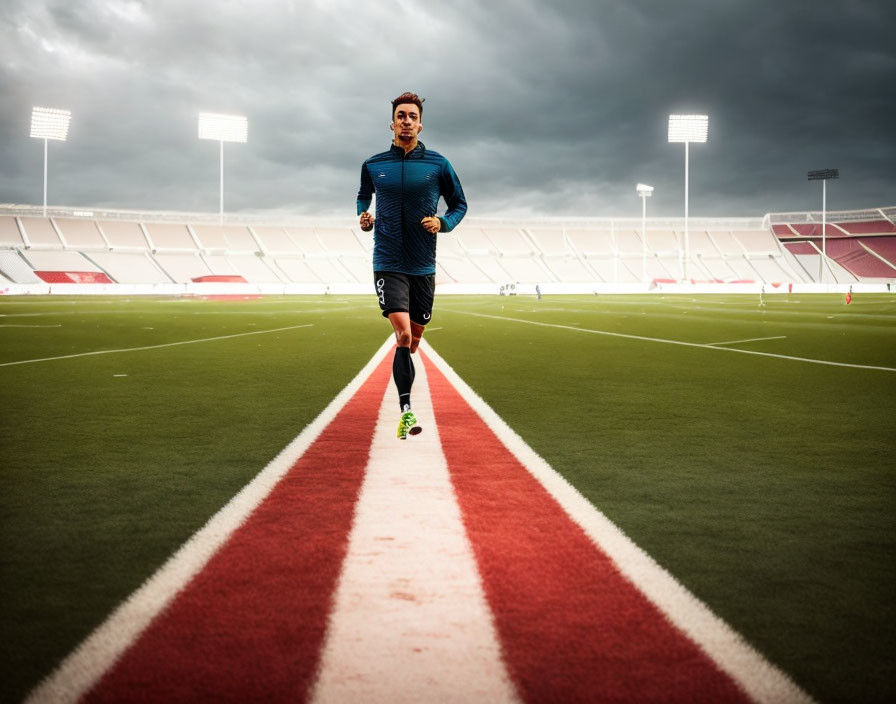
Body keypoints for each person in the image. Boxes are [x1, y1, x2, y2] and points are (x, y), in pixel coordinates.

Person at [357, 92, 467, 439]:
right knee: (402, 335)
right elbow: (363, 193)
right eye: (401, 115)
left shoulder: (438, 164)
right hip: (387, 261)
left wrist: (443, 223)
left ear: (420, 124)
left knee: (415, 339)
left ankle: (405, 380)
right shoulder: (374, 164)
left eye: (412, 116)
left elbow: (459, 204)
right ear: (392, 123)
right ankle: (405, 411)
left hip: (423, 267)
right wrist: (364, 215)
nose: (406, 120)